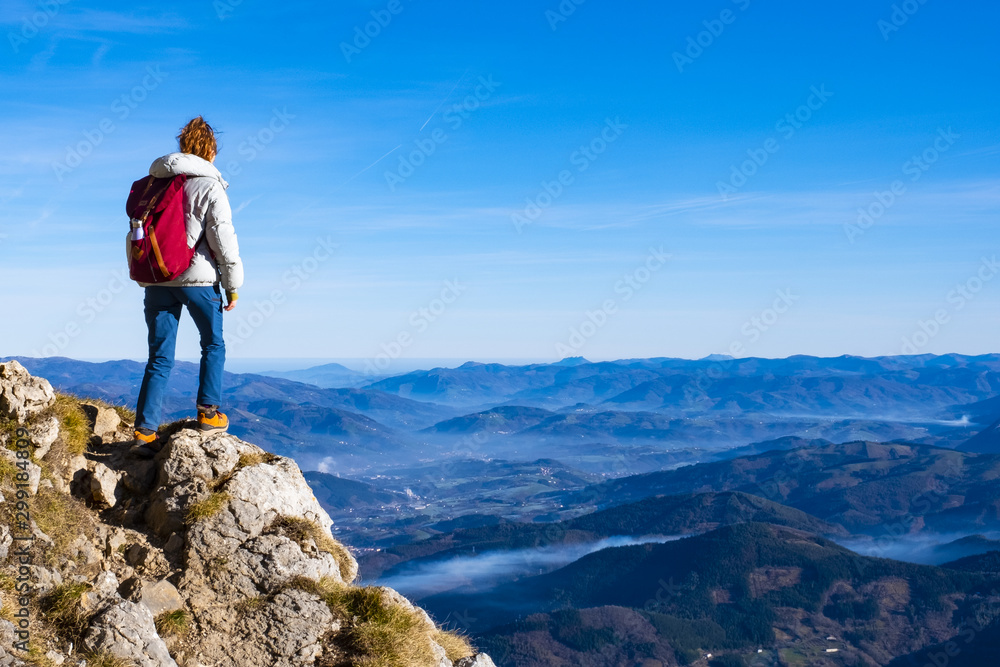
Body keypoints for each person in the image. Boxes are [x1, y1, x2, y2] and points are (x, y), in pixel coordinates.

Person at [129, 117, 244, 458]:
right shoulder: (209, 186)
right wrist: (232, 285)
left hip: (158, 278)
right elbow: (223, 239)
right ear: (210, 150)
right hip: (197, 279)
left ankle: (144, 432)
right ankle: (209, 413)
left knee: (159, 356)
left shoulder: (154, 184)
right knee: (213, 343)